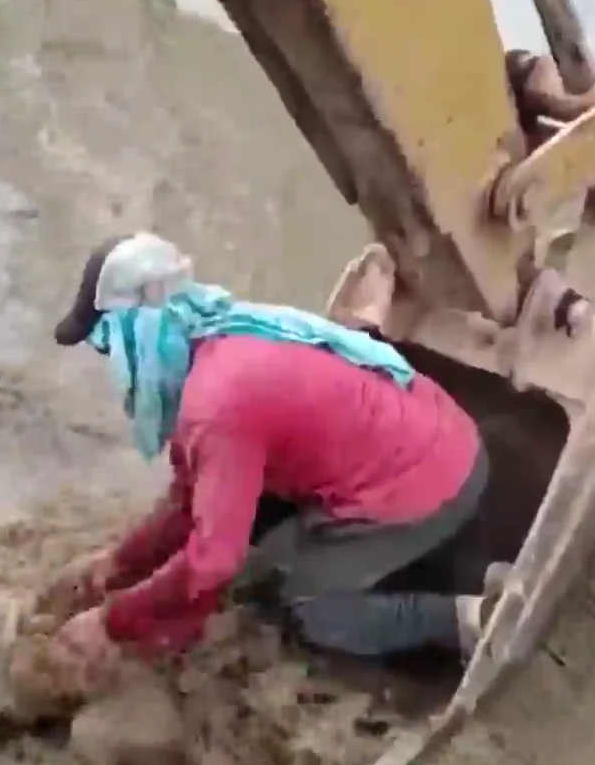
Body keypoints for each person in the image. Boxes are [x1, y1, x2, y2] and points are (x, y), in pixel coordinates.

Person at [29, 232, 503, 700]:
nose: (114, 362)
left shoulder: (216, 405)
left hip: (431, 481)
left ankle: (470, 619)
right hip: (428, 429)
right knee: (235, 542)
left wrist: (110, 626)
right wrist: (118, 563)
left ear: (141, 325)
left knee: (313, 610)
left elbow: (214, 561)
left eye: (109, 342)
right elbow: (187, 500)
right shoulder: (218, 331)